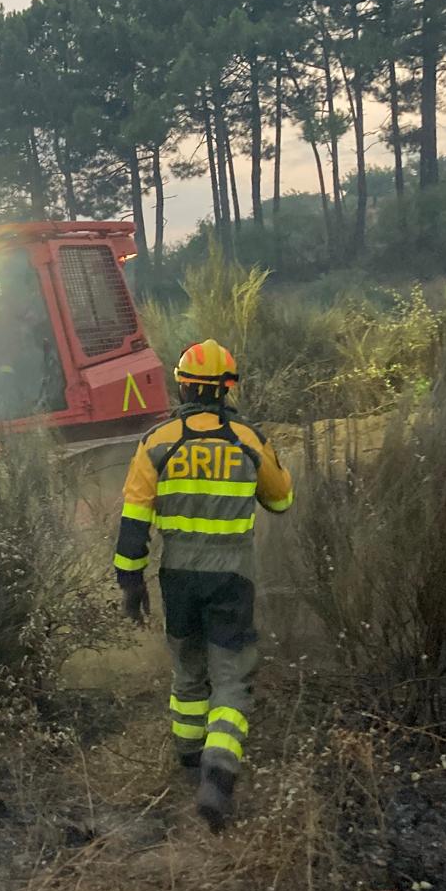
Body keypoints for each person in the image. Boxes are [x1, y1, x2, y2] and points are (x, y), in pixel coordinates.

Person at [113, 339, 293, 831]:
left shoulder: (157, 442)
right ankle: (219, 770)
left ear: (182, 384)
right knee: (231, 674)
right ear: (228, 388)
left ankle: (190, 760)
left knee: (188, 670)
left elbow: (134, 521)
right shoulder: (248, 440)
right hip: (233, 577)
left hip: (178, 578)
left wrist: (131, 582)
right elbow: (281, 502)